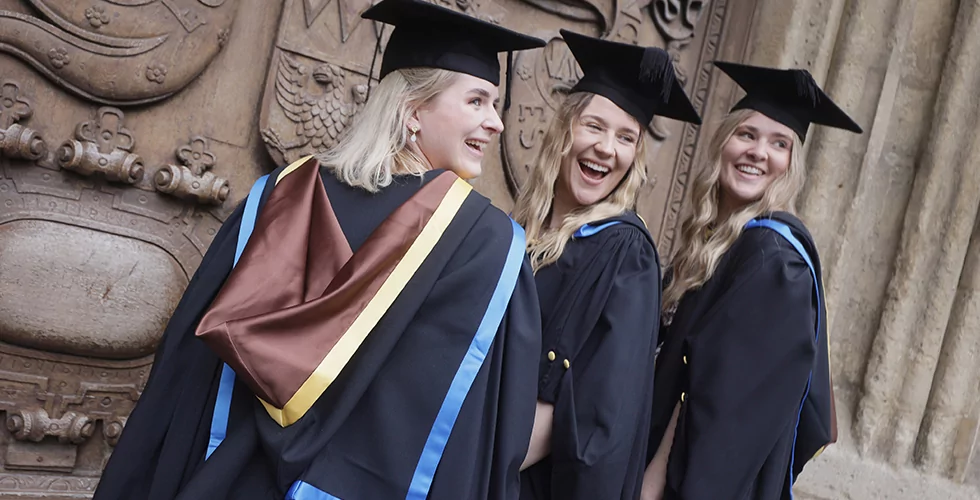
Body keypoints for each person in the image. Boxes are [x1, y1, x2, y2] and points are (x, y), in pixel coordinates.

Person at [93, 1, 546, 498]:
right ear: (414, 111)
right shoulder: (485, 242)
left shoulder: (280, 195)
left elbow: (185, 379)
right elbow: (477, 436)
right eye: (478, 102)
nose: (496, 124)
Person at [641, 61, 862, 500]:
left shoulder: (774, 263)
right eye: (746, 134)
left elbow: (722, 422)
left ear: (790, 166)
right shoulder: (720, 244)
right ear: (723, 144)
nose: (758, 152)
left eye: (778, 143)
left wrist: (649, 489)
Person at [514, 30, 701, 500]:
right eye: (594, 127)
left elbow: (594, 411)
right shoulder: (523, 232)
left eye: (625, 138)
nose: (607, 149)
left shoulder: (624, 255)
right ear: (563, 131)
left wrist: (482, 461)